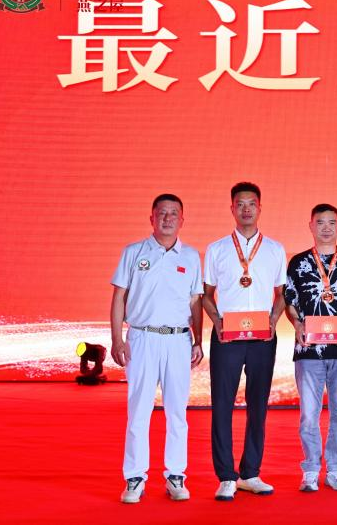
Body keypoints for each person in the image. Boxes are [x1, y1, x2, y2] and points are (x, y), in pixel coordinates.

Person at [110, 193, 203, 503]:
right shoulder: (133, 252)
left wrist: (198, 340)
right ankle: (134, 477)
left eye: (173, 213)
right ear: (151, 218)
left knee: (177, 412)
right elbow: (119, 298)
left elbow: (195, 301)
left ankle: (176, 475)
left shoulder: (191, 256)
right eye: (162, 213)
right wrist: (117, 339)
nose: (167, 218)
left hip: (178, 340)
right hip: (142, 338)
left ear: (182, 220)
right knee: (139, 410)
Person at [202, 182, 287, 500]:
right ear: (232, 209)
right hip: (227, 337)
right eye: (240, 204)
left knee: (258, 404)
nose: (246, 209)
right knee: (222, 404)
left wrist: (274, 320)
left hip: (263, 337)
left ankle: (250, 472)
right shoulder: (217, 249)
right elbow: (206, 295)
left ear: (260, 208)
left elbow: (282, 294)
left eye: (252, 204)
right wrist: (217, 322)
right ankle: (226, 475)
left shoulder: (275, 249)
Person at [284, 204, 337, 492]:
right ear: (310, 225)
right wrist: (297, 324)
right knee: (309, 415)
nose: (326, 227)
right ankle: (310, 470)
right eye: (320, 222)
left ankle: (336, 470)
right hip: (308, 350)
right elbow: (289, 301)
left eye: (331, 222)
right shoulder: (298, 262)